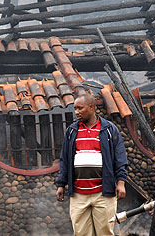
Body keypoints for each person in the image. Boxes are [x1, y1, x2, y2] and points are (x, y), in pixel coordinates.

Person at [56, 93, 128, 236]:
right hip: (78, 194)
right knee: (81, 233)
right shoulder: (72, 131)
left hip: (104, 193)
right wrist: (61, 184)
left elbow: (120, 158)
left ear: (91, 107)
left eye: (80, 108)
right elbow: (64, 159)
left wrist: (121, 182)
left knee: (105, 233)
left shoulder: (108, 130)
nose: (77, 112)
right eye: (75, 109)